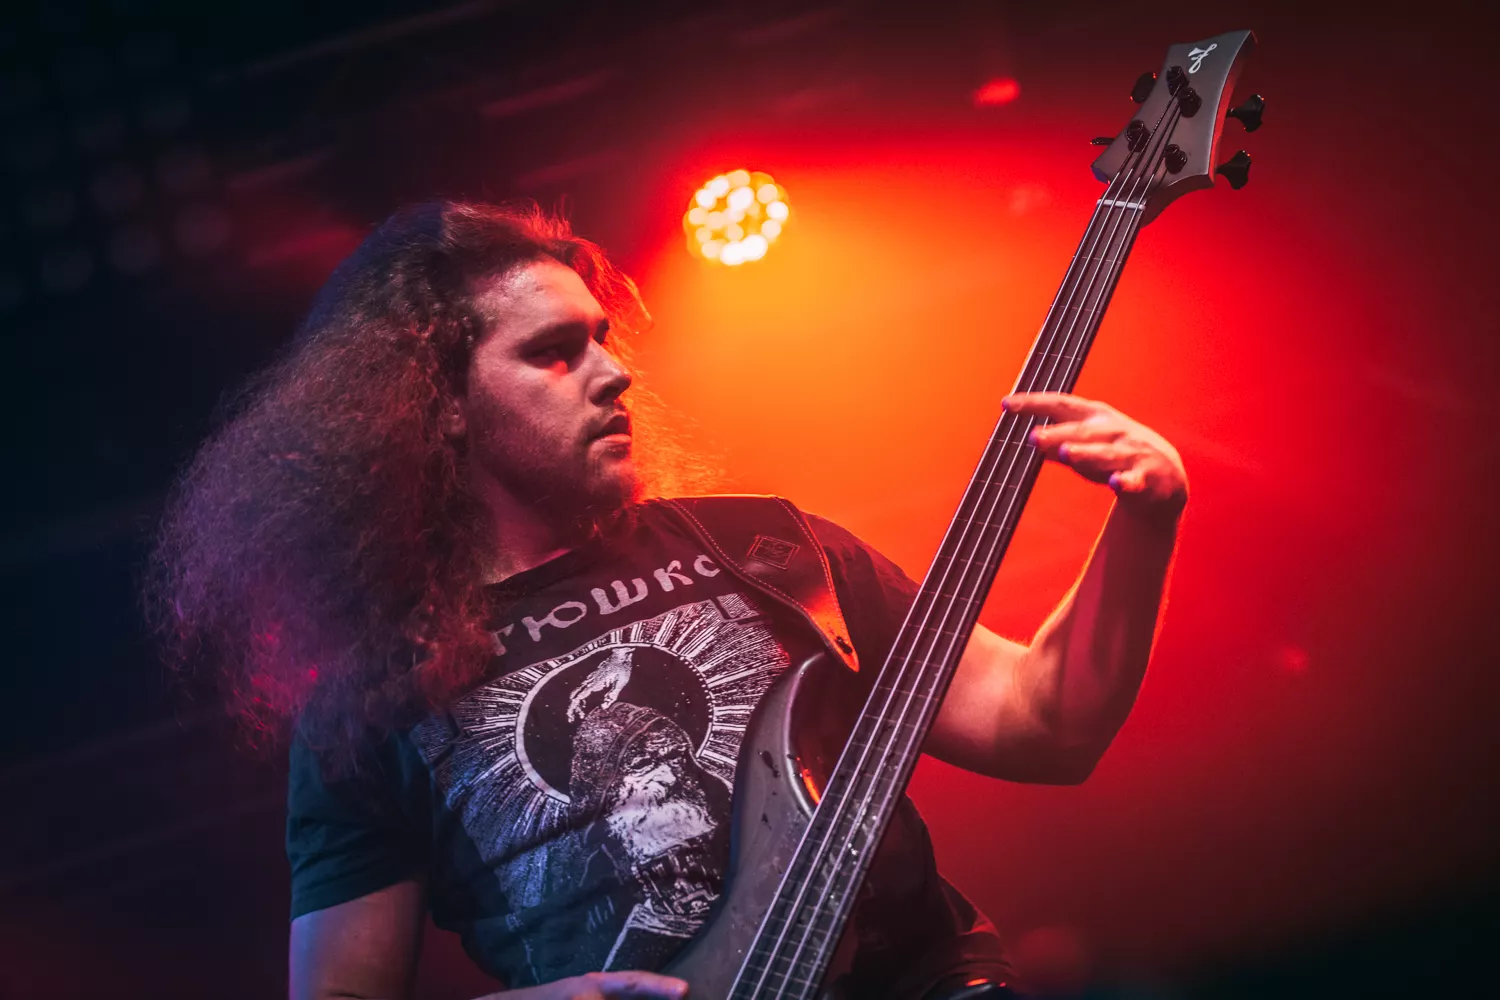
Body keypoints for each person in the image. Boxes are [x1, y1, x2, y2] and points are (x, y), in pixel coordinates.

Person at [147, 202, 1187, 1000]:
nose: (613, 375)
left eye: (603, 337)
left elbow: (1041, 722)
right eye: (554, 353)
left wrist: (1146, 520)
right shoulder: (373, 698)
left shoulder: (768, 549)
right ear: (440, 404)